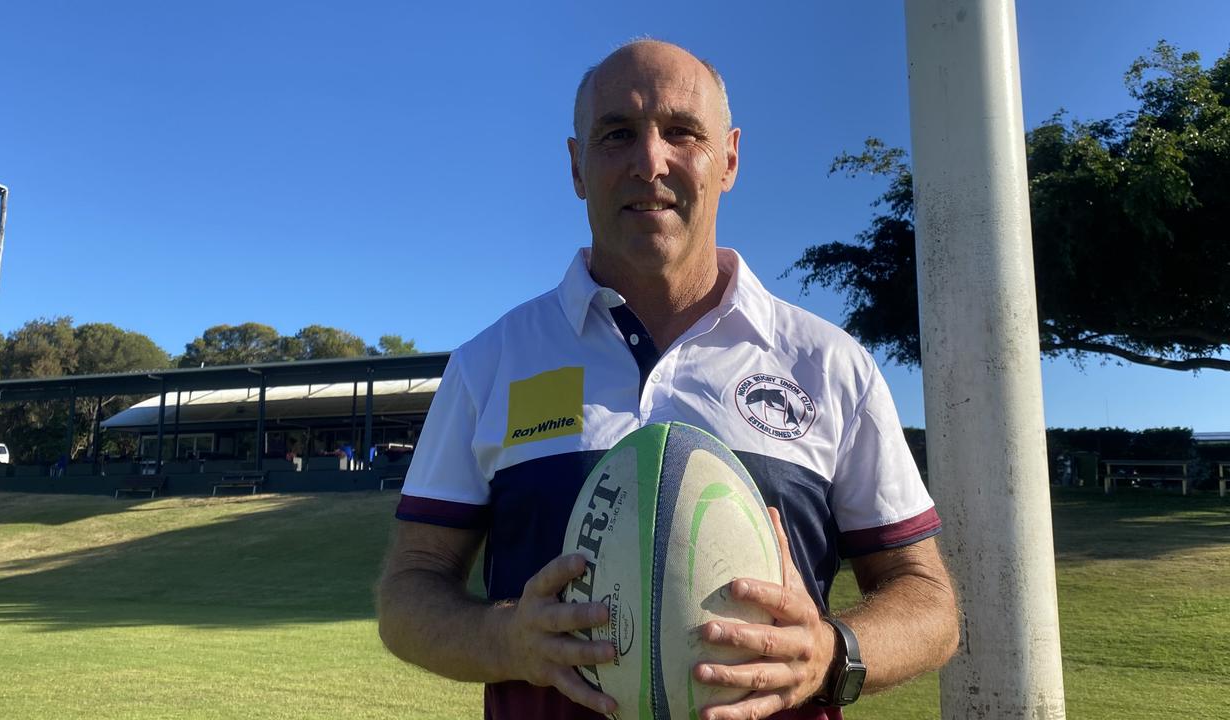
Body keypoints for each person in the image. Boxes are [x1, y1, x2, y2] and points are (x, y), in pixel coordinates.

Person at [378, 40, 958, 720]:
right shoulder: (491, 363)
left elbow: (928, 600)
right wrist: (506, 638)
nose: (649, 161)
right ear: (576, 166)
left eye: (682, 132)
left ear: (730, 159)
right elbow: (409, 591)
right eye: (617, 134)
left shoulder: (828, 365)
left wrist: (833, 653)